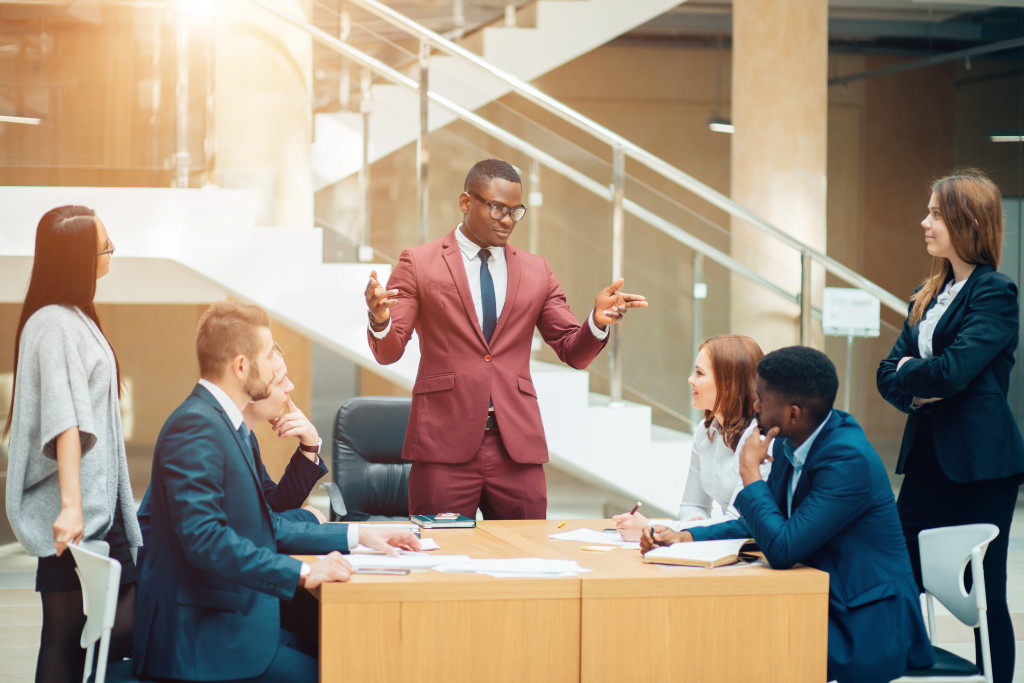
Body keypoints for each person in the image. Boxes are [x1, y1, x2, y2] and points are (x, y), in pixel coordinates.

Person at [134, 301, 419, 683]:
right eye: (270, 358)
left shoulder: (223, 425)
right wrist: (303, 572)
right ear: (241, 366)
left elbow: (265, 521)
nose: (277, 373)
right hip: (200, 640)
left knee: (342, 650)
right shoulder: (196, 427)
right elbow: (205, 540)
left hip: (224, 620)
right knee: (347, 667)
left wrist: (359, 533)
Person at [364, 158, 648, 520]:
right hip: (443, 445)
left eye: (516, 211)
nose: (508, 220)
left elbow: (571, 350)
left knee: (528, 558)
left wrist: (596, 322)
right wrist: (380, 318)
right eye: (497, 208)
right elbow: (389, 351)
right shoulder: (419, 263)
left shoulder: (536, 270)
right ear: (466, 202)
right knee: (444, 560)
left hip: (517, 446)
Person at [645, 346, 933, 683]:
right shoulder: (790, 441)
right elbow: (757, 523)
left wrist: (750, 473)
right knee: (716, 634)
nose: (754, 407)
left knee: (737, 648)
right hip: (819, 597)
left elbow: (782, 549)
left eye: (761, 400)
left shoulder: (847, 460)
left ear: (793, 413)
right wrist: (686, 536)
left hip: (866, 623)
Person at [876, 169, 1024, 683]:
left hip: (982, 468)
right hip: (926, 465)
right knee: (894, 576)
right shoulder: (927, 293)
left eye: (936, 213)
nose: (925, 222)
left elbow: (954, 371)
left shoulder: (995, 293)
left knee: (985, 593)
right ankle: (900, 669)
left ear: (967, 220)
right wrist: (923, 381)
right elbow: (884, 376)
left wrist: (915, 375)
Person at [3, 205, 142, 683]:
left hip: (93, 511)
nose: (112, 252)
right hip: (77, 519)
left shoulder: (69, 317)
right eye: (104, 246)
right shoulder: (57, 323)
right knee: (66, 639)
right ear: (77, 259)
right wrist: (71, 506)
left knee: (64, 638)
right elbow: (66, 419)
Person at [612, 335, 769, 540]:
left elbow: (738, 522)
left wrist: (654, 527)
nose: (690, 379)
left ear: (728, 384)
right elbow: (692, 505)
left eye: (699, 373)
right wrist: (694, 521)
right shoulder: (705, 432)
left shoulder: (760, 438)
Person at [243, 345, 328, 524]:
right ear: (252, 389)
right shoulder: (219, 437)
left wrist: (309, 446)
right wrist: (308, 517)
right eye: (281, 380)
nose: (291, 386)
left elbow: (274, 507)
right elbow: (256, 526)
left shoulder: (246, 435)